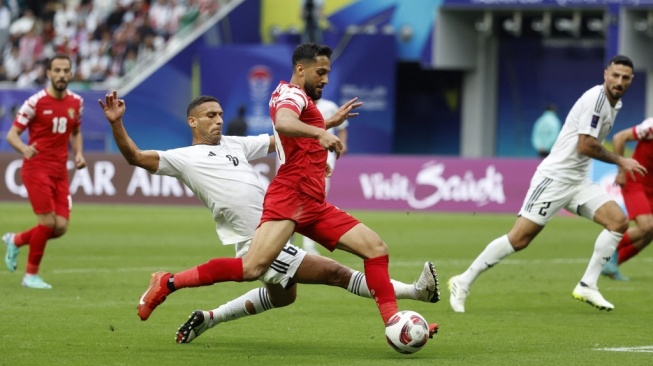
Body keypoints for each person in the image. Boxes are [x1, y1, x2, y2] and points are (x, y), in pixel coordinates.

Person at [133, 43, 439, 341]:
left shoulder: (299, 103)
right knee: (256, 268)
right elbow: (283, 123)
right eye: (320, 72)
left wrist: (325, 132)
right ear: (300, 68)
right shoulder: (289, 95)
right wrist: (322, 133)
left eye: (328, 72)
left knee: (375, 249)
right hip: (290, 198)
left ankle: (392, 322)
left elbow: (282, 138)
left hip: (312, 201)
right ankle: (170, 282)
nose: (326, 79)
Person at [448, 55, 646, 313]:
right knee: (519, 239)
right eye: (615, 75)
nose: (619, 81)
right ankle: (462, 282)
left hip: (578, 181)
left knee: (617, 222)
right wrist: (622, 161)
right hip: (554, 179)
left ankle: (588, 285)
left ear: (631, 80)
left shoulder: (613, 104)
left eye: (625, 77)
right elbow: (585, 145)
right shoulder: (596, 100)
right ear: (605, 74)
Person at [3, 54, 86, 289]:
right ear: (48, 73)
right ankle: (30, 275)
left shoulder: (76, 103)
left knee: (60, 227)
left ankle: (16, 240)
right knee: (47, 222)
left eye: (65, 70)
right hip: (36, 168)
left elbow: (76, 131)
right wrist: (24, 148)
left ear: (70, 74)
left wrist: (78, 153)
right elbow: (12, 135)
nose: (61, 75)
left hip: (60, 170)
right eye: (57, 70)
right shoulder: (35, 102)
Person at [600, 117, 653, 281]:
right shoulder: (651, 127)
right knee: (647, 226)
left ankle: (610, 266)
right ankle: (609, 249)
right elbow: (619, 138)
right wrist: (621, 170)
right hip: (634, 180)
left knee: (649, 233)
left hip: (650, 186)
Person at [301, 97, 348, 255]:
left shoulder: (330, 106)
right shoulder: (300, 105)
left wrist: (343, 143)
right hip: (303, 156)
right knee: (296, 196)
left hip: (326, 155)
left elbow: (342, 127)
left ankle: (309, 244)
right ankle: (287, 241)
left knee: (317, 196)